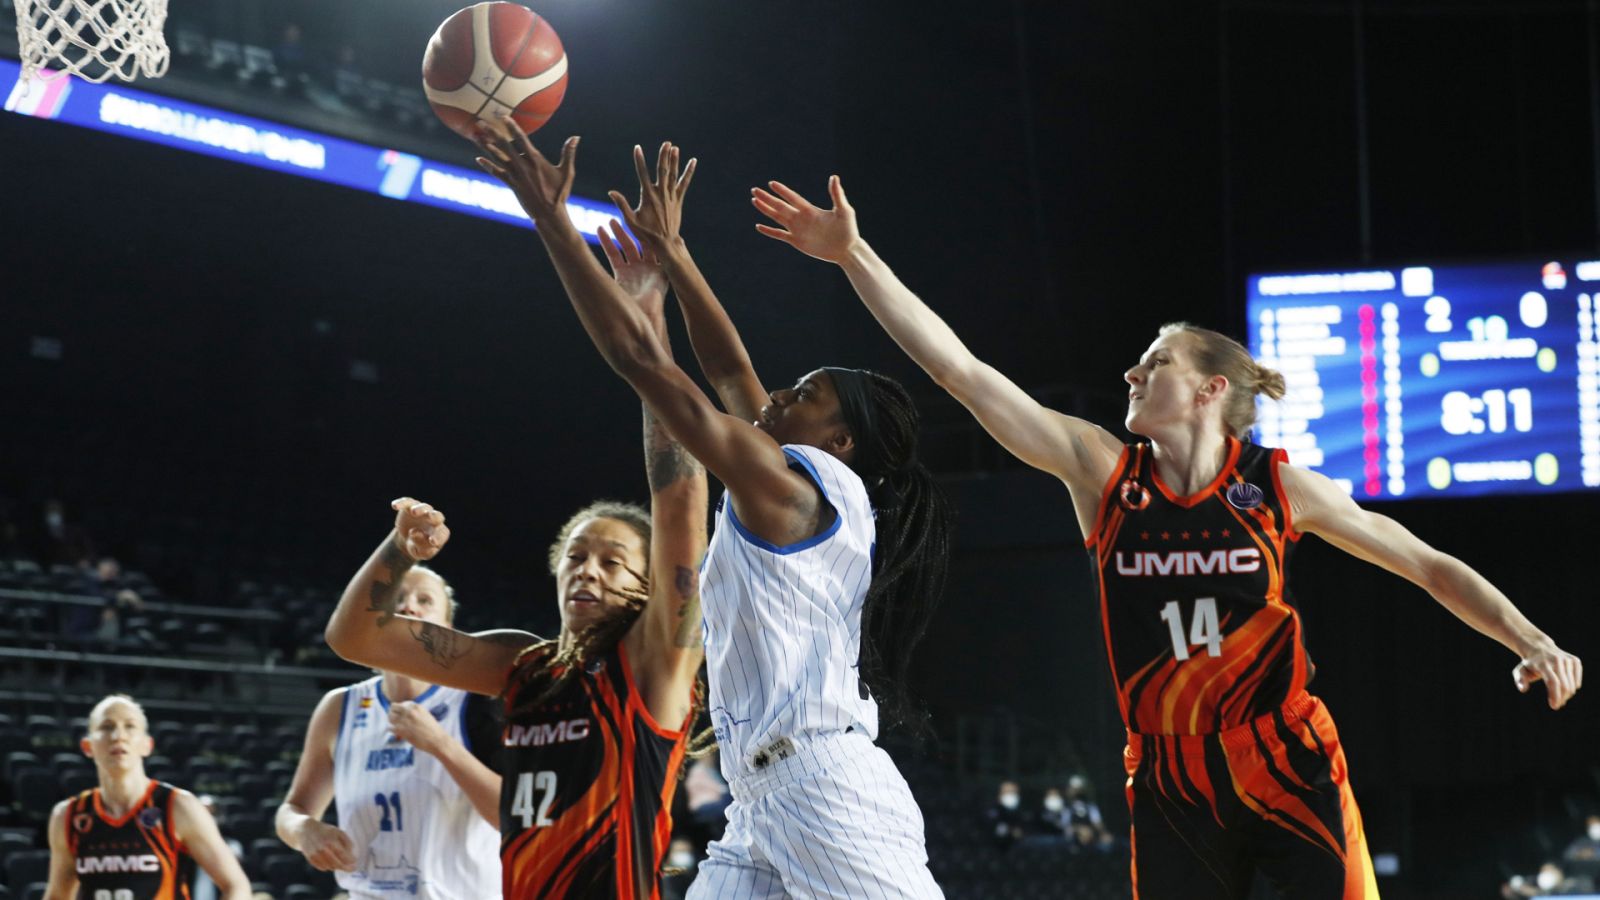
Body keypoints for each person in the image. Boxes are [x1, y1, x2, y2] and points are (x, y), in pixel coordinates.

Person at [750, 176, 1585, 898]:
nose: (1131, 372)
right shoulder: (1104, 473)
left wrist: (1531, 636)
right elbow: (960, 373)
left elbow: (1429, 565)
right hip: (1169, 773)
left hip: (1285, 752)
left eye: (1155, 362)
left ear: (1209, 390)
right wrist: (854, 256)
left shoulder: (1277, 487)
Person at [472, 120, 954, 899]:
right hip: (763, 797)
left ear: (842, 438)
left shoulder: (799, 483)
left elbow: (644, 367)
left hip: (824, 791)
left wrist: (551, 221)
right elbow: (729, 368)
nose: (778, 398)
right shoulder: (800, 485)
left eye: (805, 394)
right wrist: (675, 256)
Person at [323, 222, 709, 899]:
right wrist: (397, 551)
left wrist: (648, 323)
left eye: (615, 562)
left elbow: (679, 497)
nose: (589, 570)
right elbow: (354, 638)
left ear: (650, 586)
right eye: (578, 556)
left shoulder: (655, 664)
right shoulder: (521, 666)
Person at [276, 564, 503, 899]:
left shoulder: (479, 703)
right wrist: (304, 829)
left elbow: (512, 817)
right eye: (396, 598)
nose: (409, 606)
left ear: (448, 629)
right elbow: (291, 810)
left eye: (425, 600)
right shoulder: (339, 707)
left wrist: (441, 745)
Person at [43, 695, 251, 900]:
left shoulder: (178, 806)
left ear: (147, 745)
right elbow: (57, 896)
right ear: (87, 746)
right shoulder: (68, 815)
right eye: (107, 727)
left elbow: (237, 887)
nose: (118, 736)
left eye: (130, 726)